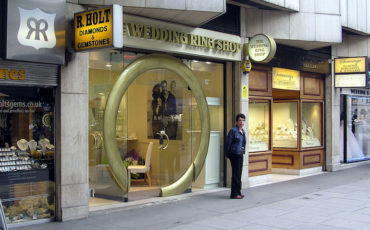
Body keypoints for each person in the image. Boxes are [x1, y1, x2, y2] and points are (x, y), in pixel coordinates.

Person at [225, 113, 246, 199]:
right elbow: (228, 143)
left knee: (239, 174)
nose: (241, 122)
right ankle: (234, 194)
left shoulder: (243, 131)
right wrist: (226, 154)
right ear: (237, 121)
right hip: (234, 155)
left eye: (243, 120)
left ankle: (238, 192)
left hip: (240, 154)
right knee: (235, 174)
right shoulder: (233, 131)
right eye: (240, 120)